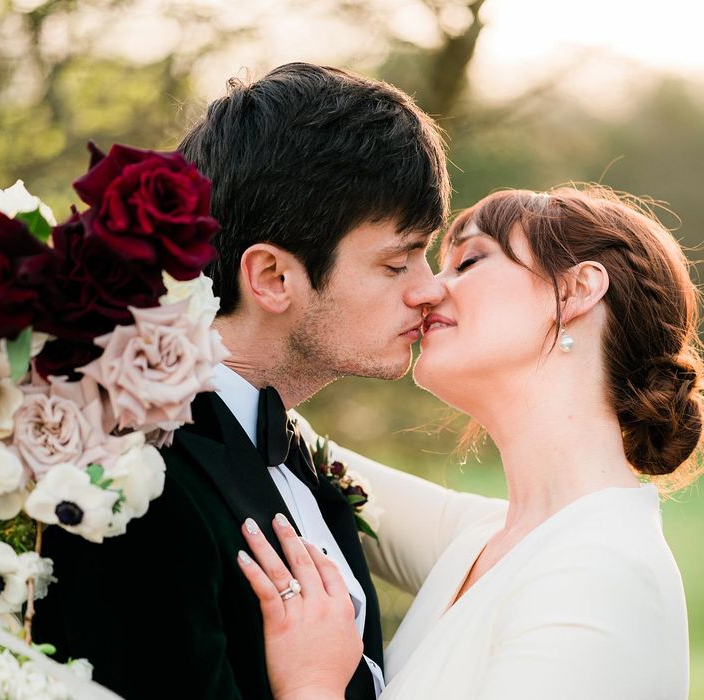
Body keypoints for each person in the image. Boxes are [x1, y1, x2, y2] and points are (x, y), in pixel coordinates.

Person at [33, 62, 450, 699]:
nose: (430, 289)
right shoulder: (137, 488)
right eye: (396, 264)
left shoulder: (293, 456)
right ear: (272, 278)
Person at [236, 186, 704, 700]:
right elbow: (289, 443)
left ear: (575, 290)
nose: (428, 291)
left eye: (467, 262)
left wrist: (310, 685)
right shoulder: (480, 539)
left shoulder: (602, 574)